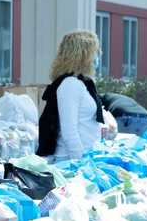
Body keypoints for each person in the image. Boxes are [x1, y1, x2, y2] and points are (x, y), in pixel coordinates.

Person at [37, 30, 104, 160]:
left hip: (84, 157)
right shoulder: (70, 85)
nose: (98, 55)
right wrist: (80, 163)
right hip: (71, 159)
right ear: (83, 56)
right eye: (95, 52)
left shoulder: (81, 83)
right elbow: (69, 131)